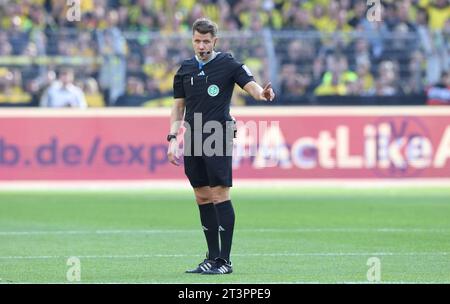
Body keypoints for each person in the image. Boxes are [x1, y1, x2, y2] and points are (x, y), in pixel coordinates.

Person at [167, 18, 275, 275]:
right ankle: (211, 258)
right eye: (197, 40)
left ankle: (224, 261)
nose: (201, 45)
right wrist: (173, 139)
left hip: (217, 134)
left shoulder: (228, 64)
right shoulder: (184, 69)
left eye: (206, 41)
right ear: (192, 40)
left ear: (214, 41)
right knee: (201, 196)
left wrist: (262, 94)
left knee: (219, 195)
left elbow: (251, 86)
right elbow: (178, 108)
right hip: (192, 136)